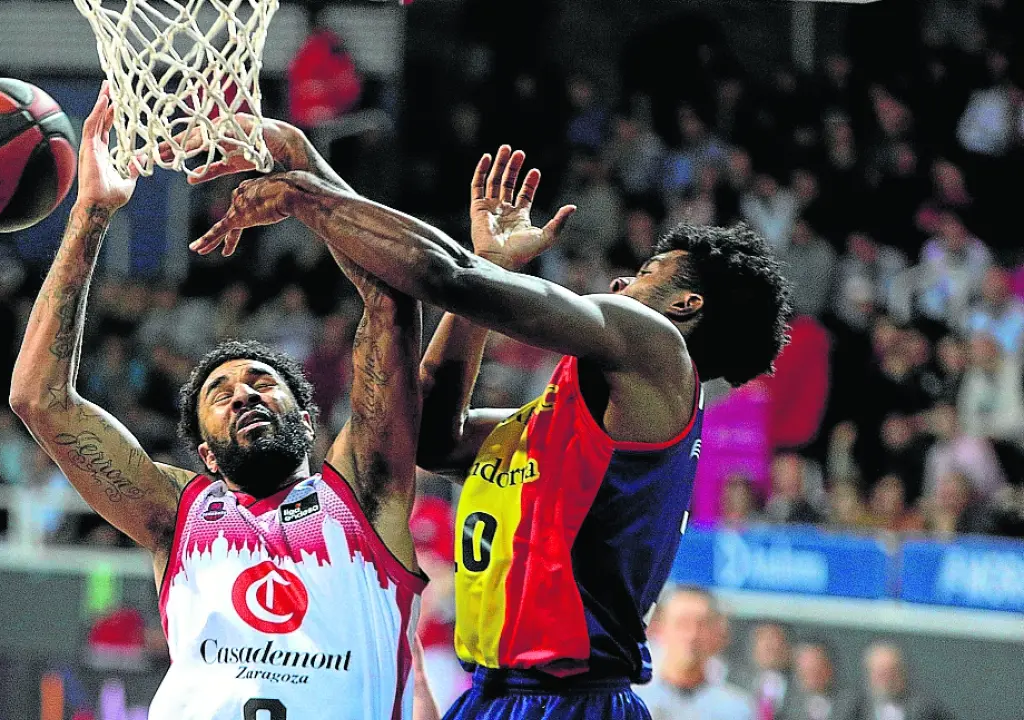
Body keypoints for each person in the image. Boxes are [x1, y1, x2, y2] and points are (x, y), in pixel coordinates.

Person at [187, 119, 792, 719]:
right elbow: (431, 438)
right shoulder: (576, 425)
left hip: (570, 701)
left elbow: (444, 276)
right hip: (492, 694)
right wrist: (310, 168)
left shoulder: (657, 345)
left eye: (645, 274)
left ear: (686, 304)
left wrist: (308, 191)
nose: (619, 280)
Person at [10, 85, 427, 719]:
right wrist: (90, 214)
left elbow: (392, 301)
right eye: (220, 393)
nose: (243, 393)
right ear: (205, 453)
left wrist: (305, 168)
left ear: (307, 420)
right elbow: (38, 398)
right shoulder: (180, 512)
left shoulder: (363, 497)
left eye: (262, 381)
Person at [634, 587, 754, 720]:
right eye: (682, 624)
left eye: (702, 625)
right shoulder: (632, 700)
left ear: (716, 633)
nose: (692, 635)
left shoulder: (735, 710)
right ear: (660, 629)